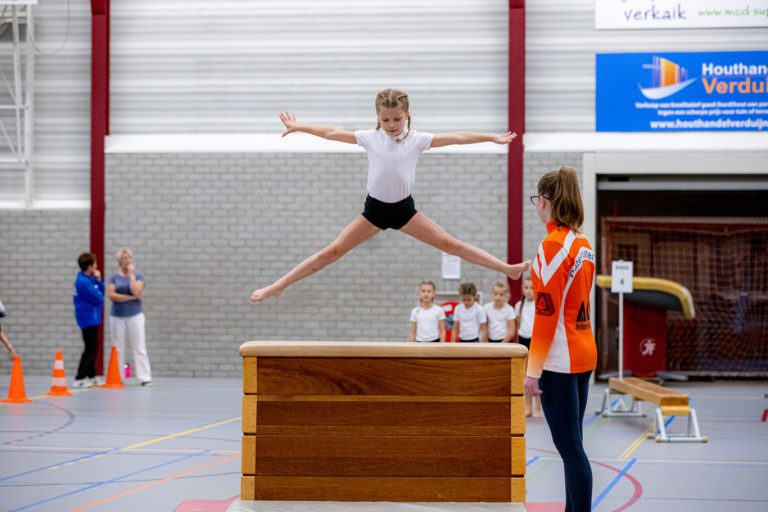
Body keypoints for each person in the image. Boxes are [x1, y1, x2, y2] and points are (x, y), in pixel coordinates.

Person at [250, 89, 530, 303]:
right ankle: (279, 286)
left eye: (397, 118)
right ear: (378, 118)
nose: (391, 123)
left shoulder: (417, 139)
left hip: (404, 211)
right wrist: (300, 127)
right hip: (374, 211)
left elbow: (457, 136)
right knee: (332, 251)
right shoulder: (370, 138)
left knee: (449, 243)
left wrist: (491, 138)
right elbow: (332, 133)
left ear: (407, 115)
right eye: (385, 119)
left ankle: (508, 269)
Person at [524, 166, 597, 512]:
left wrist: (532, 370)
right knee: (574, 445)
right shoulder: (582, 243)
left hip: (560, 359)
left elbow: (546, 314)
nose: (536, 206)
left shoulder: (552, 246)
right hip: (583, 352)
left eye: (536, 199)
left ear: (547, 201)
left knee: (570, 448)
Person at [107, 248, 152, 386]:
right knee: (118, 347)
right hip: (117, 316)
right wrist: (131, 297)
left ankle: (144, 377)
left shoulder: (138, 276)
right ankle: (119, 376)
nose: (127, 261)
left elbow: (137, 291)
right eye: (124, 258)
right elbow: (112, 295)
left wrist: (132, 276)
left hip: (135, 315)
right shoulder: (114, 278)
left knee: (139, 346)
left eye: (129, 258)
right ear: (119, 261)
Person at [73, 253, 105, 388]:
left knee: (93, 346)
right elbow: (98, 298)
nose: (97, 266)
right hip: (87, 318)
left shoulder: (90, 279)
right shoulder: (82, 282)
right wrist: (98, 290)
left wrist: (98, 280)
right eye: (95, 264)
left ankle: (92, 376)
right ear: (89, 266)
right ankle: (80, 377)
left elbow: (101, 291)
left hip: (93, 317)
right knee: (90, 347)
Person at [514, 277, 542, 418]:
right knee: (525, 376)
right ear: (522, 289)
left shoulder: (539, 304)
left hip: (535, 340)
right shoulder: (519, 305)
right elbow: (518, 325)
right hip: (523, 339)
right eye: (526, 288)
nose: (529, 291)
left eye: (532, 288)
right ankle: (527, 407)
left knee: (535, 375)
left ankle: (538, 407)